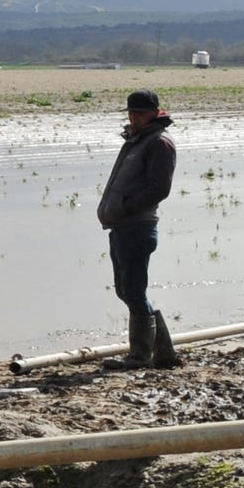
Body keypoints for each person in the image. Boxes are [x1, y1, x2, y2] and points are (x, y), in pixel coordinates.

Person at [94, 88, 180, 367]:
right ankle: (163, 352)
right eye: (131, 112)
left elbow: (160, 188)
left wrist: (127, 207)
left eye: (140, 113)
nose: (134, 118)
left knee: (132, 290)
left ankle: (141, 355)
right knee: (125, 290)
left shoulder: (159, 143)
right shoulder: (136, 140)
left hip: (137, 226)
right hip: (122, 226)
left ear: (155, 113)